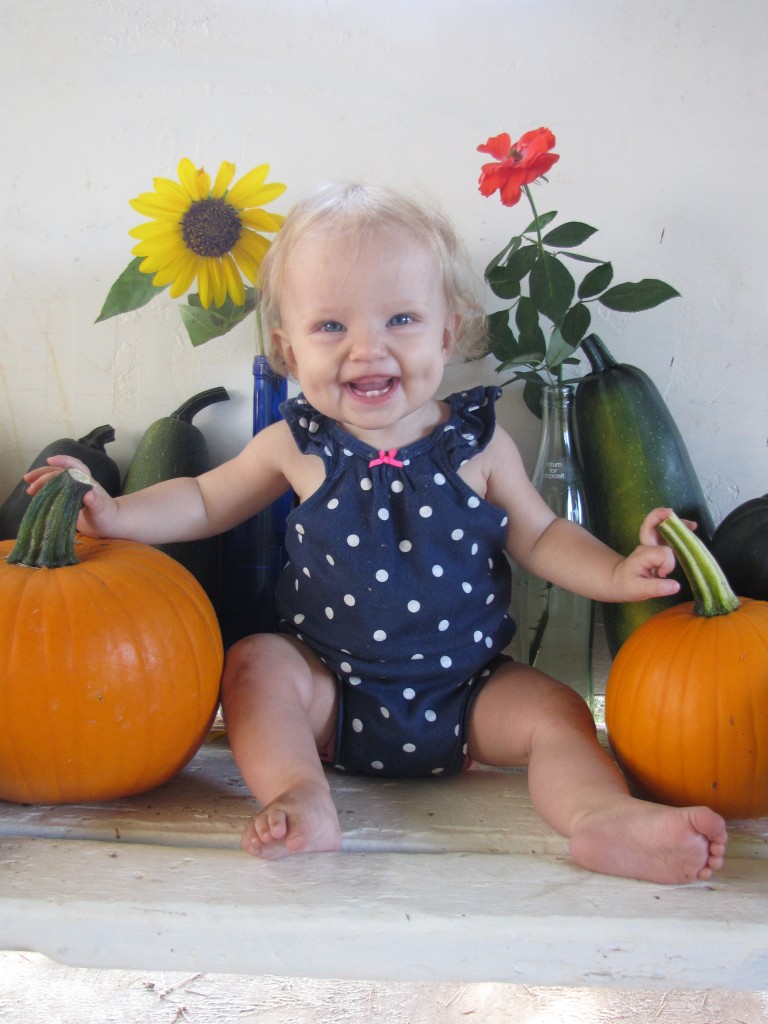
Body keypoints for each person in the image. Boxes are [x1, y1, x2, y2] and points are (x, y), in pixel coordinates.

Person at [26, 182, 727, 884]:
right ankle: (300, 794)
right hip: (330, 690)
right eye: (331, 327)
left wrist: (615, 573)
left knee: (558, 712)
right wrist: (116, 514)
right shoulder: (292, 444)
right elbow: (205, 501)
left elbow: (542, 538)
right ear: (289, 352)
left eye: (400, 319)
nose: (368, 349)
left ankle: (597, 817)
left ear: (447, 333)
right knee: (254, 666)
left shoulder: (479, 445)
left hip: (472, 693)